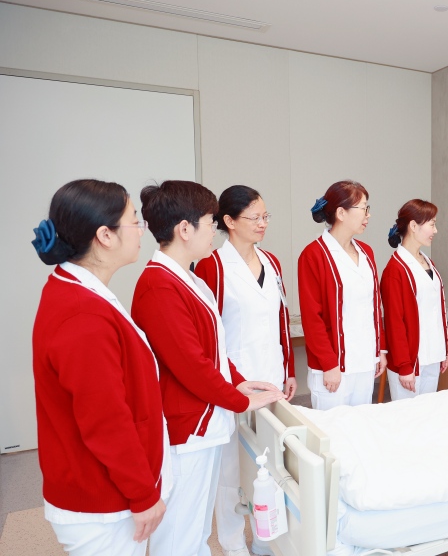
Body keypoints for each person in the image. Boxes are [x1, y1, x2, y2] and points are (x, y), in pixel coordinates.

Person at [131, 180, 284, 556]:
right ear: (185, 229)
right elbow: (191, 364)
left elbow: (213, 349)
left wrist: (239, 383)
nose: (214, 229)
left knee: (195, 532)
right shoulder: (159, 285)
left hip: (206, 420)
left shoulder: (188, 279)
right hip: (188, 427)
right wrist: (238, 400)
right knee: (180, 537)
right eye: (210, 221)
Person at [31, 179, 167, 555]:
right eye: (134, 221)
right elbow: (105, 420)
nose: (141, 230)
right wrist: (143, 495)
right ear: (105, 235)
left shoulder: (76, 289)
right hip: (99, 503)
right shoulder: (82, 314)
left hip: (98, 487)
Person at [193, 185, 295, 556]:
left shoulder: (272, 262)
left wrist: (289, 369)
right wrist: (227, 382)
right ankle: (234, 544)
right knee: (231, 470)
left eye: (266, 216)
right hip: (233, 383)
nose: (262, 223)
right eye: (254, 217)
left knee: (270, 464)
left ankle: (266, 540)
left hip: (273, 376)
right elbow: (207, 332)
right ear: (230, 221)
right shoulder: (212, 266)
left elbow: (281, 318)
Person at [298, 180, 386, 409]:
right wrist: (329, 364)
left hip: (365, 361)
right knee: (332, 429)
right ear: (341, 213)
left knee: (360, 426)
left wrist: (379, 351)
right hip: (334, 367)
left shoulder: (366, 252)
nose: (368, 215)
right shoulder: (313, 255)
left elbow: (374, 307)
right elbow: (312, 318)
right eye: (363, 208)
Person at [380, 199, 448, 400]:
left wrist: (442, 351)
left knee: (428, 414)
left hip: (432, 355)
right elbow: (394, 322)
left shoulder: (428, 262)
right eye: (432, 224)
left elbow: (436, 310)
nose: (435, 230)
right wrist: (404, 365)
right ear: (413, 225)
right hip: (409, 361)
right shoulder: (395, 269)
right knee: (407, 415)